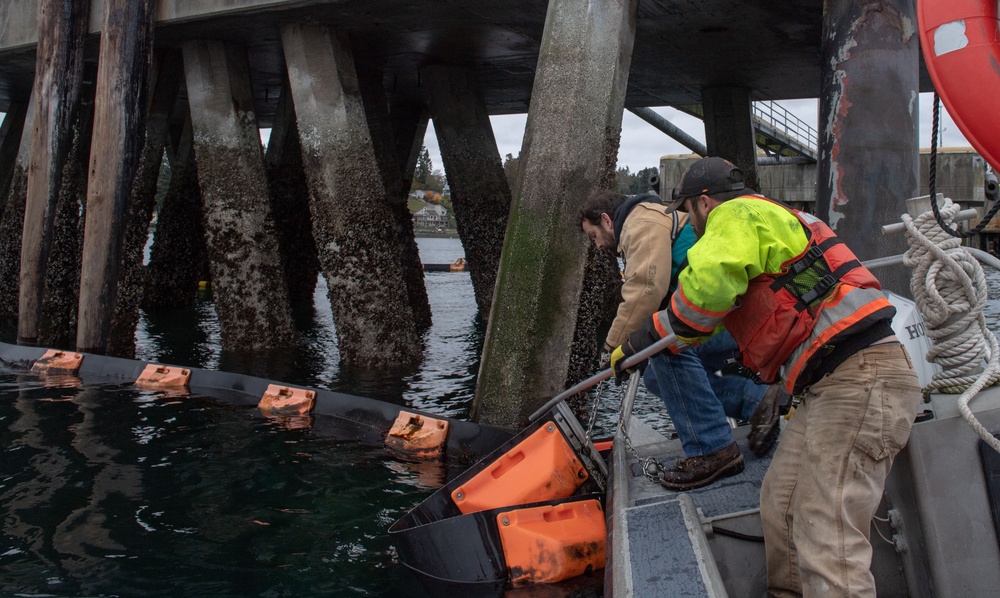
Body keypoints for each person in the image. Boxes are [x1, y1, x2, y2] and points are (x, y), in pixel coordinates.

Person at [611, 157, 921, 596]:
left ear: (703, 203)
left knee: (827, 536)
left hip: (858, 380)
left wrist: (641, 337)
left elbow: (706, 291)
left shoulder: (734, 215)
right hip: (829, 384)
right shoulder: (776, 221)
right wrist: (649, 344)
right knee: (782, 506)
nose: (690, 222)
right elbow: (721, 317)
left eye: (689, 211)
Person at [579, 189, 786, 491]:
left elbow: (648, 287)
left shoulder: (640, 224)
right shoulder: (650, 218)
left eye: (593, 235)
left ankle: (712, 449)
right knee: (653, 378)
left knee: (665, 348)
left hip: (736, 318)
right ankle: (756, 401)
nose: (596, 245)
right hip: (733, 314)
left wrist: (613, 347)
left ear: (607, 220)